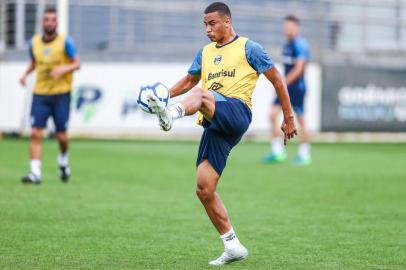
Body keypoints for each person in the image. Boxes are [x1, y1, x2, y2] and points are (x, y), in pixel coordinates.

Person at [146, 2, 297, 266]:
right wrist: (161, 95)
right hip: (215, 122)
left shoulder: (249, 48)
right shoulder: (205, 53)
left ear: (227, 22)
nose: (207, 29)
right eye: (204, 24)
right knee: (204, 188)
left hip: (237, 112)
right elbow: (189, 81)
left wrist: (289, 116)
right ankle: (232, 245)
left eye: (212, 23)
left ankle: (171, 115)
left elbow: (276, 79)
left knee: (202, 95)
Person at [19, 7, 80, 184]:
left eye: (53, 20)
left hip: (61, 94)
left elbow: (77, 63)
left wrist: (64, 68)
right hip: (40, 94)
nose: (49, 23)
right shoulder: (34, 42)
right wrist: (25, 74)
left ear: (57, 22)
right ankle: (35, 172)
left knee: (61, 136)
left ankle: (63, 159)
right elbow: (34, 62)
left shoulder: (65, 42)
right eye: (47, 19)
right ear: (42, 22)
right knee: (36, 133)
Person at [263, 15, 311, 165]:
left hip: (297, 88)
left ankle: (304, 154)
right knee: (272, 115)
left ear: (297, 28)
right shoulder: (286, 46)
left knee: (300, 120)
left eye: (290, 26)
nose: (287, 29)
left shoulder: (300, 45)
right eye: (285, 27)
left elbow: (299, 69)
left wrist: (282, 83)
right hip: (286, 87)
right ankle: (278, 152)